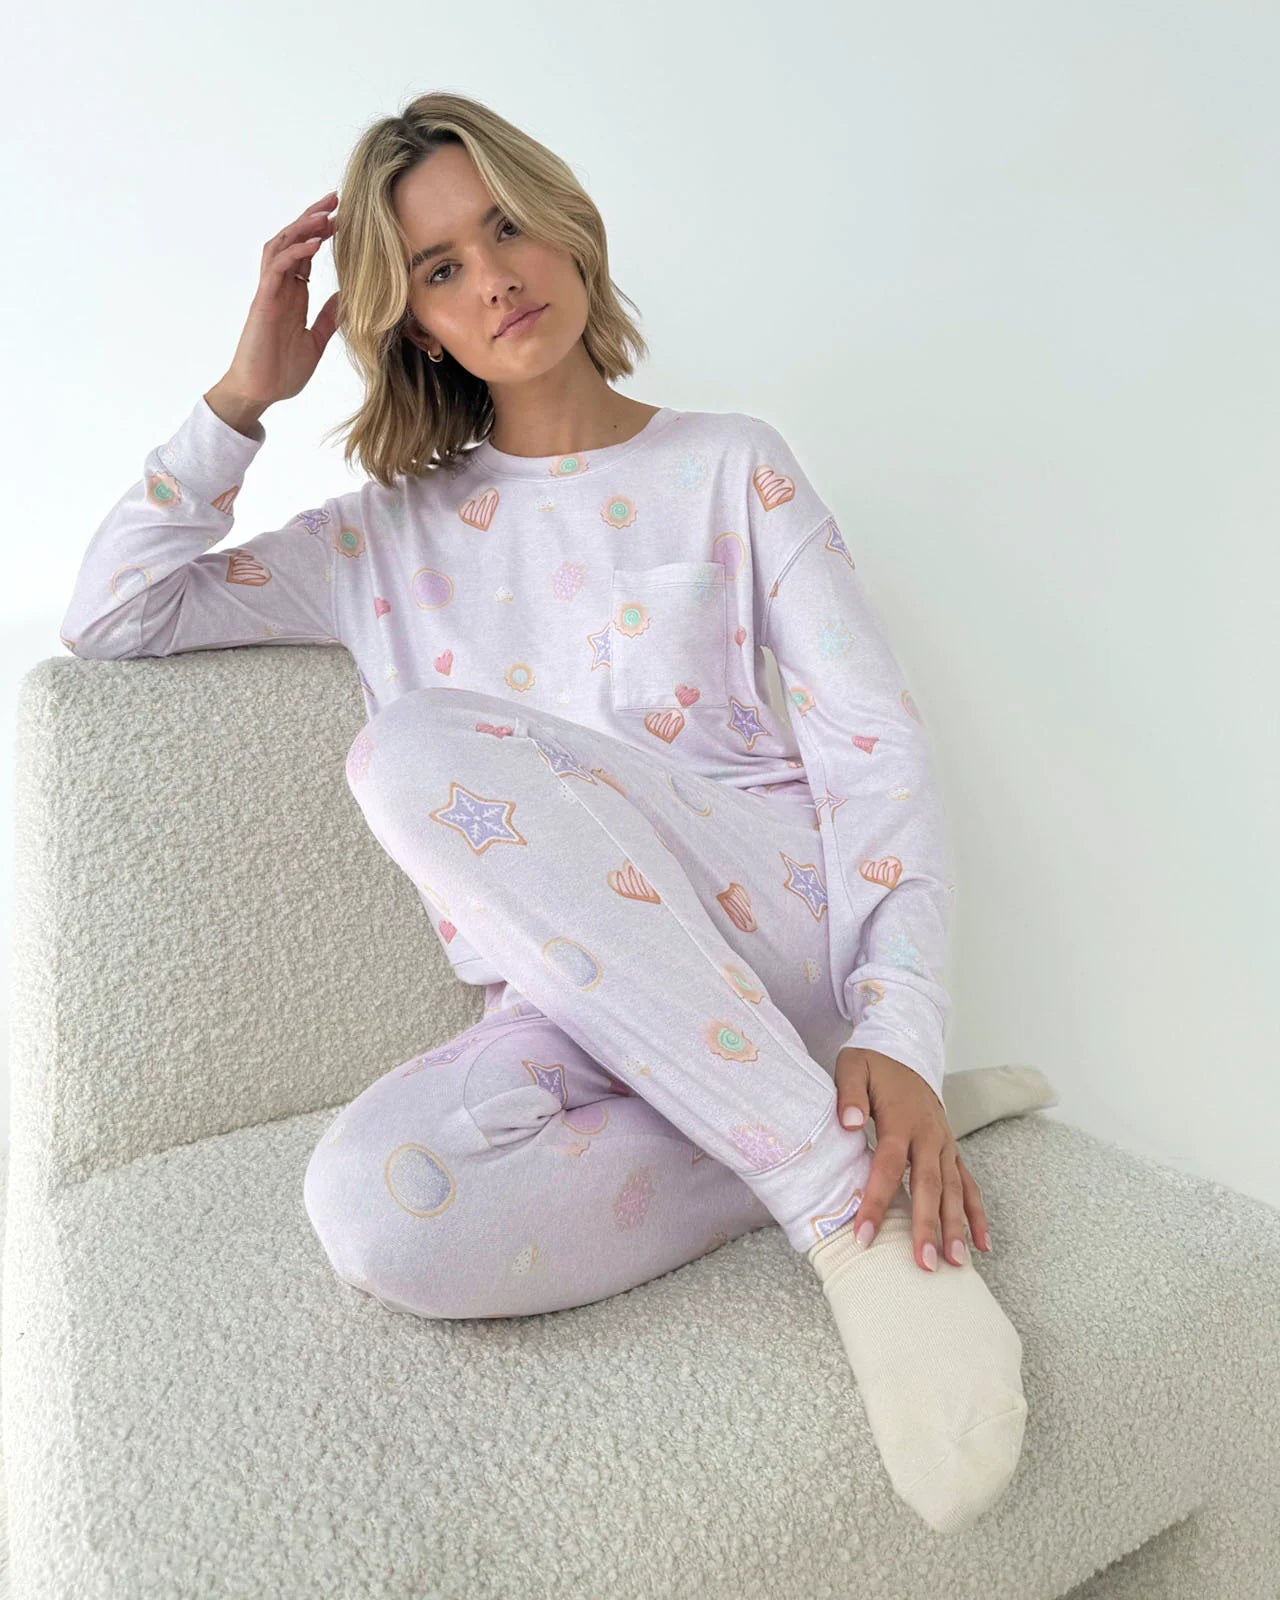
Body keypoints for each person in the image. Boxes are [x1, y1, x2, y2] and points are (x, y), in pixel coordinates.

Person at [60, 91, 1028, 1534]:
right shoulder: (379, 537)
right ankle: (827, 1134)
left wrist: (896, 1021)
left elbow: (872, 751)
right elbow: (113, 616)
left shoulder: (729, 465)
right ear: (409, 324)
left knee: (413, 750)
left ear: (568, 229)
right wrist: (240, 400)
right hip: (581, 1006)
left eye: (507, 227)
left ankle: (844, 1212)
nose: (494, 278)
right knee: (375, 1210)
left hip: (768, 914)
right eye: (440, 268)